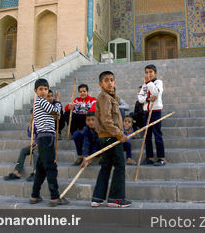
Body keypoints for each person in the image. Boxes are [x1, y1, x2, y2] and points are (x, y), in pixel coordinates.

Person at [91, 71, 131, 208]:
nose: (109, 82)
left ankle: (97, 198)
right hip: (111, 137)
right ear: (100, 84)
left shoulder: (112, 97)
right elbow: (107, 120)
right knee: (119, 165)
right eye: (106, 80)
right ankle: (116, 199)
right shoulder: (104, 97)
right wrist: (120, 134)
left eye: (112, 80)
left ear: (115, 82)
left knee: (106, 166)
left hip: (108, 136)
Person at [30, 78, 69, 207]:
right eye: (41, 89)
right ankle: (54, 197)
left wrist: (55, 112)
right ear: (36, 91)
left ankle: (34, 195)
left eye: (45, 89)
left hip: (44, 137)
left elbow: (54, 114)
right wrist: (57, 101)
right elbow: (56, 111)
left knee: (41, 168)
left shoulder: (40, 103)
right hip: (47, 138)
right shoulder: (41, 101)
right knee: (51, 167)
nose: (43, 91)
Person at [138, 64, 166, 166]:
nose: (148, 74)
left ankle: (161, 157)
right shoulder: (144, 85)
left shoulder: (158, 82)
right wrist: (147, 99)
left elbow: (156, 92)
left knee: (157, 134)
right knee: (147, 135)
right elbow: (140, 98)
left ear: (155, 73)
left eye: (151, 72)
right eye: (146, 72)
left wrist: (149, 82)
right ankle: (149, 157)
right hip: (146, 112)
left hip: (155, 111)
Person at [64, 84, 97, 165]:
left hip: (88, 119)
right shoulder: (76, 100)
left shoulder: (92, 99)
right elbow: (66, 108)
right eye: (81, 92)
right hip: (79, 119)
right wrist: (70, 106)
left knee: (90, 115)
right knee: (67, 113)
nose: (82, 93)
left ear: (87, 92)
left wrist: (85, 110)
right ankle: (73, 132)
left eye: (84, 91)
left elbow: (94, 108)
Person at [3, 113, 38, 182]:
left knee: (36, 151)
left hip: (43, 143)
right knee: (23, 151)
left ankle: (36, 172)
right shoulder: (34, 123)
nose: (32, 116)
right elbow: (30, 134)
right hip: (35, 144)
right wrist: (31, 122)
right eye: (31, 115)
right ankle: (17, 172)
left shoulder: (43, 121)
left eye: (33, 115)